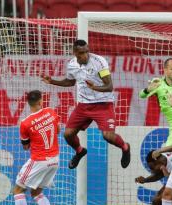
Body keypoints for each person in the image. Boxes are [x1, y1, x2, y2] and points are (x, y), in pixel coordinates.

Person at [41, 39, 130, 170]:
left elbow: (109, 86)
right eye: (82, 53)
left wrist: (95, 87)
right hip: (83, 105)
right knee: (68, 134)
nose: (85, 55)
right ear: (75, 53)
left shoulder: (99, 62)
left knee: (108, 136)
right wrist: (52, 81)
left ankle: (125, 147)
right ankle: (79, 151)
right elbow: (70, 82)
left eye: (87, 51)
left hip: (103, 104)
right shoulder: (71, 64)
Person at [12, 90, 64, 205]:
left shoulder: (25, 123)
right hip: (54, 160)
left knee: (18, 190)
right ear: (41, 102)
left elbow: (25, 146)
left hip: (39, 160)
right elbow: (58, 130)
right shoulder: (51, 112)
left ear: (28, 103)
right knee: (36, 192)